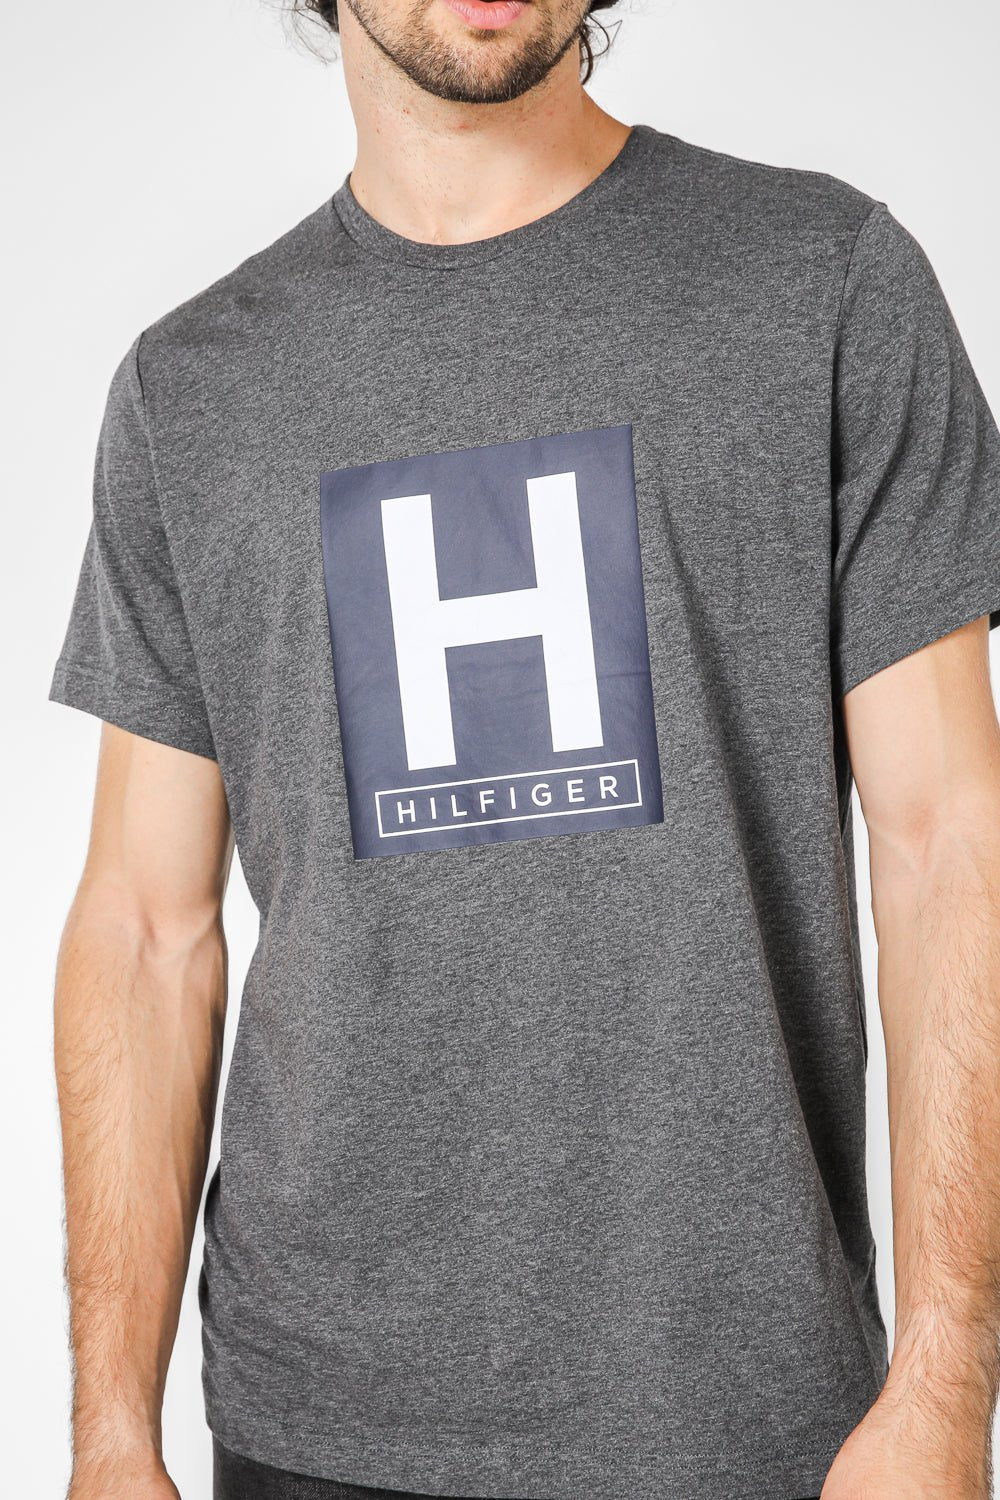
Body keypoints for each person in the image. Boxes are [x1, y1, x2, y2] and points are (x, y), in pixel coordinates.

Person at [50, 1, 1000, 1497]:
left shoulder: (823, 283)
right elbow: (144, 931)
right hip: (314, 1424)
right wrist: (110, 1434)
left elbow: (951, 846)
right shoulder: (192, 393)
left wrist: (947, 1383)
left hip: (746, 1419)